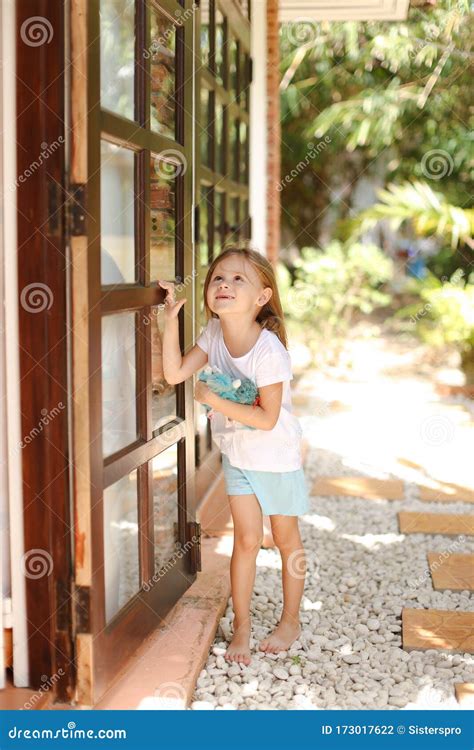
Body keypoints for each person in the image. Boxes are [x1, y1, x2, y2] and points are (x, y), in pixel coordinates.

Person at [158, 246, 310, 665]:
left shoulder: (269, 351)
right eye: (218, 278)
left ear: (262, 296)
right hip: (238, 455)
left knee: (285, 540)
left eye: (238, 279)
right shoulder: (211, 334)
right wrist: (168, 323)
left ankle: (291, 619)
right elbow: (174, 374)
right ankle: (242, 626)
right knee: (244, 540)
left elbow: (266, 419)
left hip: (276, 456)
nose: (223, 284)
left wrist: (212, 399)